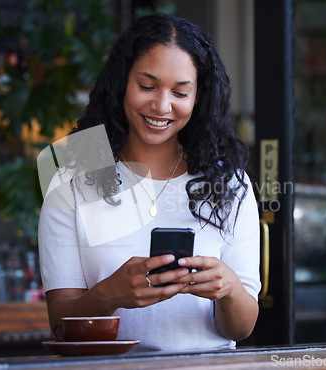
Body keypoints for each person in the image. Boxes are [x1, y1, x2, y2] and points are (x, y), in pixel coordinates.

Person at [38, 13, 260, 351]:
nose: (161, 105)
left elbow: (241, 329)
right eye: (147, 86)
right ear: (121, 82)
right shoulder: (73, 178)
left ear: (199, 97)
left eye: (180, 92)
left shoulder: (228, 182)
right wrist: (109, 294)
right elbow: (60, 324)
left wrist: (228, 289)